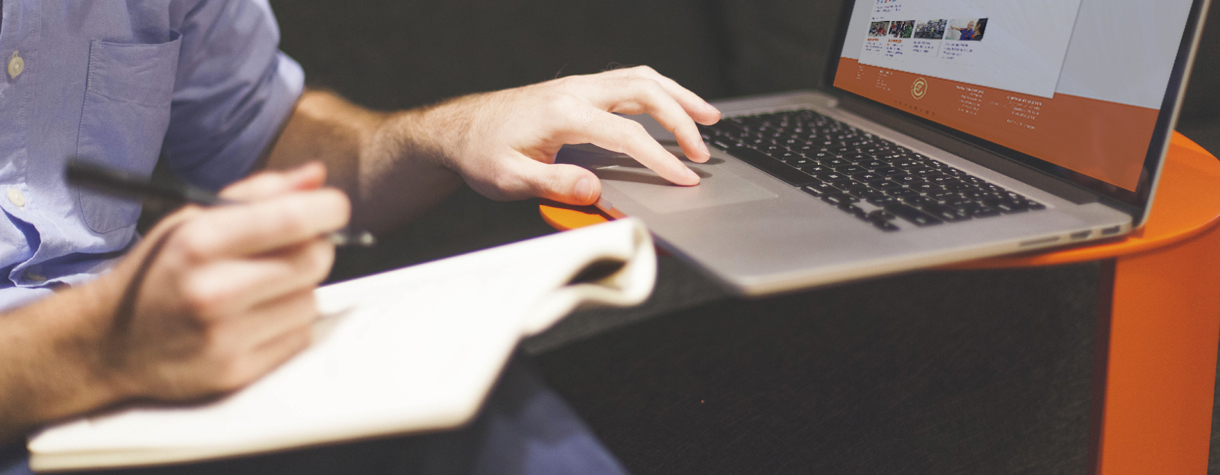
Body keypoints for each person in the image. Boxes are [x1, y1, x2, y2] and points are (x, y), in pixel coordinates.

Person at [0, 1, 720, 474]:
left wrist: (447, 133)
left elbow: (262, 135)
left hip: (157, 369)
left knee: (513, 436)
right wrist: (98, 346)